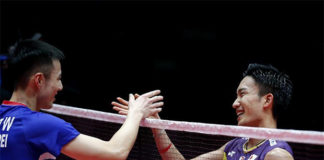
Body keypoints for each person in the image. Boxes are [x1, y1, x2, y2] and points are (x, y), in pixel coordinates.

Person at [0, 39, 164, 160]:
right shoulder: (40, 124)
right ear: (39, 80)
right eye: (58, 78)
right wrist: (136, 113)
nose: (61, 86)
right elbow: (115, 152)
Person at [112, 63, 294, 160]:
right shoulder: (234, 147)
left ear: (267, 100)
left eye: (242, 94)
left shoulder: (276, 155)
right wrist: (156, 123)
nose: (234, 103)